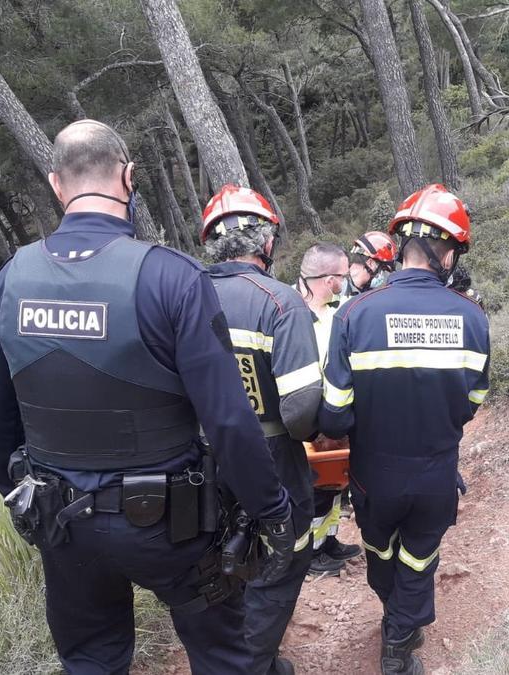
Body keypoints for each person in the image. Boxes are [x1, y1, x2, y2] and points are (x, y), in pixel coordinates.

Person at [0, 120, 297, 675]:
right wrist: (272, 510)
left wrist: (18, 494)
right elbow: (227, 419)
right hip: (171, 526)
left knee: (92, 661)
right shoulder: (170, 277)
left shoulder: (12, 279)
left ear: (56, 184)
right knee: (225, 655)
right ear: (129, 177)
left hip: (62, 523)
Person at [319, 185, 490, 675]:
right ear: (450, 253)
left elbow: (333, 414)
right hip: (436, 467)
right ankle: (399, 640)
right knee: (420, 555)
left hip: (374, 472)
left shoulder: (354, 313)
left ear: (398, 248)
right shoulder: (473, 318)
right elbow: (473, 401)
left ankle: (396, 621)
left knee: (381, 550)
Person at [201, 184, 322, 675]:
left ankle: (251, 659)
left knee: (218, 560)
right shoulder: (279, 302)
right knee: (280, 558)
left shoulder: (181, 293)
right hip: (270, 456)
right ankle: (251, 662)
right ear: (267, 243)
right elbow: (300, 409)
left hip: (197, 460)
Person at [296, 243, 362, 576]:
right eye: (343, 274)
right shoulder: (290, 313)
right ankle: (311, 552)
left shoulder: (338, 310)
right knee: (315, 488)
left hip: (336, 413)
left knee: (336, 483)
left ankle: (329, 540)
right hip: (306, 418)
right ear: (328, 279)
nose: (347, 279)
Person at [342, 231, 398, 298]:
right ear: (370, 263)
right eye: (383, 269)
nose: (382, 275)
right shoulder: (339, 294)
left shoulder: (357, 291)